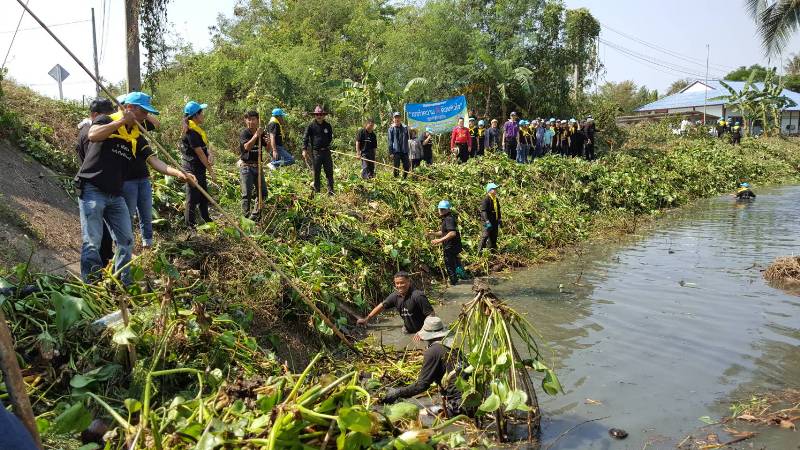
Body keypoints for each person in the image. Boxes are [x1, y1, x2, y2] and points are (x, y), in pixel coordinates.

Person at [77, 92, 191, 284]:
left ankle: (122, 282)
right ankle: (90, 284)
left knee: (126, 240)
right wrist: (122, 121)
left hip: (115, 194)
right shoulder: (107, 120)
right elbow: (93, 135)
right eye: (143, 112)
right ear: (130, 109)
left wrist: (180, 173)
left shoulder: (136, 136)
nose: (146, 116)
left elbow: (155, 162)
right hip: (92, 189)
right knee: (92, 241)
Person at [379, 316, 466, 418]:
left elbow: (422, 385)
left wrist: (397, 393)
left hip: (458, 406)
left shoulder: (432, 352)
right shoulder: (455, 348)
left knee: (419, 415)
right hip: (470, 401)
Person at [76, 98, 115, 268]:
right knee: (95, 236)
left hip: (99, 185)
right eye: (105, 116)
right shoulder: (89, 133)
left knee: (101, 232)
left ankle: (104, 265)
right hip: (94, 186)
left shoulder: (88, 129)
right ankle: (97, 271)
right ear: (95, 115)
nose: (108, 119)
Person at [356, 271, 434, 335]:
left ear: (409, 282)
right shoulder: (395, 296)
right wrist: (367, 319)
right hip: (408, 330)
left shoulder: (418, 296)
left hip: (424, 331)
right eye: (397, 283)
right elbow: (381, 306)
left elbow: (431, 314)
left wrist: (422, 331)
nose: (399, 286)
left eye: (402, 283)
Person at [181, 100, 215, 228]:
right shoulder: (191, 132)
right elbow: (200, 153)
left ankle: (206, 219)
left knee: (203, 194)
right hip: (192, 168)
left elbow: (204, 148)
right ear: (195, 115)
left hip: (199, 168)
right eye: (201, 113)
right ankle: (190, 225)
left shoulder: (197, 130)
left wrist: (210, 154)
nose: (203, 115)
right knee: (192, 197)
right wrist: (211, 170)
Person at [238, 110, 269, 217]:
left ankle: (254, 217)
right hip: (246, 167)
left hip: (258, 166)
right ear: (245, 120)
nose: (251, 122)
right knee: (246, 195)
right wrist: (256, 135)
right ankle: (245, 218)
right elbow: (246, 147)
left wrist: (268, 142)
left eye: (253, 119)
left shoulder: (261, 133)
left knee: (263, 193)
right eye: (249, 119)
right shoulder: (244, 133)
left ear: (257, 120)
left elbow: (268, 149)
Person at [302, 105, 335, 195]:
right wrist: (304, 149)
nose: (319, 116)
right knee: (316, 172)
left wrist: (325, 145)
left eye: (320, 114)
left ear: (323, 115)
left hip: (326, 152)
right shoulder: (311, 126)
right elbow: (305, 138)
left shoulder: (327, 126)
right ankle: (317, 192)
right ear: (314, 115)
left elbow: (330, 138)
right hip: (316, 153)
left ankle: (331, 192)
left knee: (329, 172)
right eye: (317, 114)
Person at [430, 200, 463, 286]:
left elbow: (452, 233)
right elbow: (444, 232)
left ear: (448, 210)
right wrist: (433, 233)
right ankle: (458, 279)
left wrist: (439, 240)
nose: (441, 211)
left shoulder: (448, 219)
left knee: (449, 265)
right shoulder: (447, 218)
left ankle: (454, 283)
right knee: (454, 264)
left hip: (451, 246)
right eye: (440, 209)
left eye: (443, 209)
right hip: (452, 246)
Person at [478, 182, 501, 254]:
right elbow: (483, 211)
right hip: (487, 222)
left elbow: (498, 210)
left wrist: (499, 219)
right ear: (490, 190)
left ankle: (492, 253)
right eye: (494, 189)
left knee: (494, 237)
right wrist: (487, 221)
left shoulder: (495, 199)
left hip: (494, 221)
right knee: (485, 236)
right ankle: (479, 253)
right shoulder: (486, 199)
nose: (496, 190)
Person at [388, 112, 410, 178]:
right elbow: (390, 141)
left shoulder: (405, 128)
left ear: (400, 118)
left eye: (398, 117)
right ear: (393, 119)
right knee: (396, 167)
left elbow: (410, 137)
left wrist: (410, 130)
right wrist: (391, 152)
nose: (397, 119)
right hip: (396, 151)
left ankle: (404, 178)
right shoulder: (391, 129)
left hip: (404, 150)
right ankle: (396, 179)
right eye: (395, 118)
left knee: (407, 166)